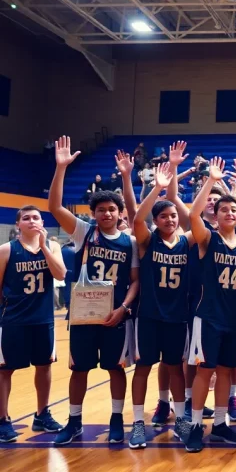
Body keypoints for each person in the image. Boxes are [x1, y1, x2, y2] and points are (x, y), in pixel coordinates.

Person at [48, 137, 140, 447]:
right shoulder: (85, 233)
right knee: (80, 369)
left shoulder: (130, 242)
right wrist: (61, 168)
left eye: (112, 209)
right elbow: (55, 207)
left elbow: (135, 280)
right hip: (84, 315)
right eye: (101, 210)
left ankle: (116, 419)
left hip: (116, 314)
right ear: (95, 213)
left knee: (116, 368)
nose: (106, 214)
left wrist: (124, 309)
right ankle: (74, 421)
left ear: (119, 213)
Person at [184, 157, 236, 453]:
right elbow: (192, 215)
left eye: (234, 209)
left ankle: (219, 424)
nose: (229, 212)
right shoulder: (207, 239)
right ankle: (193, 426)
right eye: (223, 209)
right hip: (209, 316)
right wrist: (212, 181)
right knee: (206, 371)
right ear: (215, 214)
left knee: (227, 371)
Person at [127, 163, 194, 449]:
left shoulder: (186, 241)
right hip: (150, 316)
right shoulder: (147, 240)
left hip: (177, 316)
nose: (170, 220)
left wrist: (176, 182)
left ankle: (180, 419)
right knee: (143, 368)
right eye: (164, 216)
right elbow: (137, 220)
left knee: (175, 368)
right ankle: (138, 423)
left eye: (173, 215)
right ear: (156, 220)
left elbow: (196, 221)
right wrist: (157, 188)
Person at [0, 206, 67, 442]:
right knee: (5, 369)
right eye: (26, 218)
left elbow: (60, 275)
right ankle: (3, 419)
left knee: (44, 366)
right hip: (13, 320)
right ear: (18, 224)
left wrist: (44, 247)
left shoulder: (53, 247)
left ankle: (42, 414)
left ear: (42, 223)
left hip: (43, 319)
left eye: (36, 217)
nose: (31, 221)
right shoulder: (6, 250)